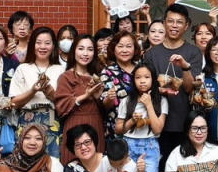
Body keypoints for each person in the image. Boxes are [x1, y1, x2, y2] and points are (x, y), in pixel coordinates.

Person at [142, 3, 203, 163]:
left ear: (186, 25)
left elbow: (190, 88)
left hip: (185, 122)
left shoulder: (193, 52)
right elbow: (144, 85)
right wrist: (159, 89)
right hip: (157, 122)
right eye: (170, 21)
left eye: (179, 22)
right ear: (164, 23)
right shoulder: (152, 54)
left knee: (184, 167)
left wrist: (185, 67)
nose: (174, 25)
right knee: (159, 168)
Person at [9, 27, 64, 158]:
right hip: (27, 120)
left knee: (52, 163)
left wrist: (51, 94)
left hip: (52, 121)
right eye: (38, 42)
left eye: (47, 43)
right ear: (32, 44)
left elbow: (64, 104)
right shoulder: (23, 68)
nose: (42, 47)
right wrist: (33, 91)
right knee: (25, 162)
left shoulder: (61, 70)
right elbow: (14, 102)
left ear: (53, 46)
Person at [55, 33, 106, 164]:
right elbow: (61, 107)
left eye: (90, 49)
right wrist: (86, 95)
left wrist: (99, 98)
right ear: (74, 51)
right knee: (73, 166)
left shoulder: (99, 76)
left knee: (96, 167)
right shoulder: (66, 77)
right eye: (81, 48)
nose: (85, 53)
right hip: (74, 123)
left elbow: (106, 110)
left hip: (95, 123)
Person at [100, 30, 141, 139]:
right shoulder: (107, 72)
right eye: (120, 46)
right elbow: (105, 106)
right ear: (113, 49)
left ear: (135, 49)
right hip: (117, 129)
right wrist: (109, 98)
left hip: (142, 126)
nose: (124, 50)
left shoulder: (142, 69)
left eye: (128, 46)